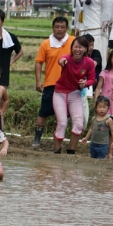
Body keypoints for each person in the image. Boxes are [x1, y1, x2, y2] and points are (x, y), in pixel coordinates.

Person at [33, 16, 75, 148]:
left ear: (66, 28)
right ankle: (36, 140)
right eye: (57, 27)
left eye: (62, 27)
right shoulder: (46, 44)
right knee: (43, 112)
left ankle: (58, 141)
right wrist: (38, 80)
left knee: (63, 116)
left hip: (69, 85)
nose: (59, 30)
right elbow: (38, 63)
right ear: (53, 28)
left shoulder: (73, 42)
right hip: (51, 84)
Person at [53, 36, 96, 154]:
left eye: (81, 47)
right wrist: (62, 62)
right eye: (75, 47)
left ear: (86, 49)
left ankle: (71, 151)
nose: (78, 49)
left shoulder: (89, 62)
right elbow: (61, 60)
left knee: (78, 123)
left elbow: (93, 79)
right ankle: (57, 151)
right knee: (62, 122)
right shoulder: (67, 58)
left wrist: (85, 83)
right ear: (71, 49)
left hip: (75, 93)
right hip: (60, 93)